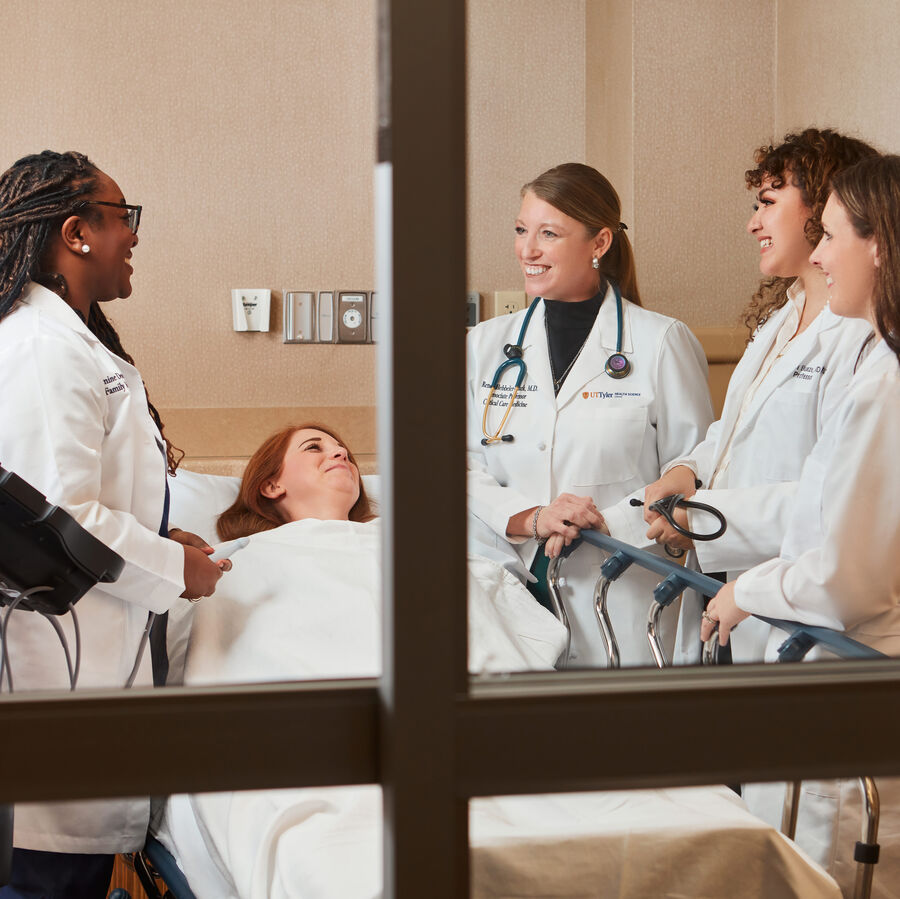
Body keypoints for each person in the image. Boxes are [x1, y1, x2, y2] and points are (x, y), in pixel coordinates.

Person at [0, 150, 225, 898]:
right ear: (76, 232)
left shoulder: (73, 343)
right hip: (54, 677)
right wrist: (174, 568)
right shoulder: (40, 347)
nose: (133, 237)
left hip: (83, 677)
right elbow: (59, 519)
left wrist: (168, 543)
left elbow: (83, 502)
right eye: (122, 217)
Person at [701, 154, 900, 898]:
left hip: (855, 678)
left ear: (879, 245)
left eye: (833, 235)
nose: (816, 254)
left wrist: (747, 590)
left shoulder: (882, 383)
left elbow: (843, 577)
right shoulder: (878, 369)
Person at [636, 129, 879, 663]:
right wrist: (687, 472)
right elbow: (735, 434)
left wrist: (699, 519)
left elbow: (834, 496)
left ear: (824, 207)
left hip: (801, 606)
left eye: (769, 203)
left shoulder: (864, 339)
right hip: (736, 588)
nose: (753, 223)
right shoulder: (782, 319)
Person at [466, 162, 714, 667]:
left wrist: (592, 523)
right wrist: (531, 517)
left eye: (548, 234)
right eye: (521, 230)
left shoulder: (661, 341)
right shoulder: (485, 345)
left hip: (627, 585)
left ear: (599, 242)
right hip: (508, 583)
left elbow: (695, 464)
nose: (527, 250)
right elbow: (458, 465)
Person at [217, 423, 376, 538]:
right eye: (313, 447)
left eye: (343, 449)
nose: (342, 452)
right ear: (272, 486)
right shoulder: (239, 558)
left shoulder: (392, 536)